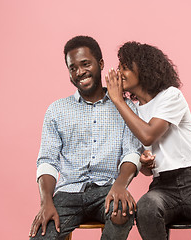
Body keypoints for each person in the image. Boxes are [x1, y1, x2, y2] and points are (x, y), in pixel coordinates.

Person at [105, 41, 191, 240]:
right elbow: (146, 168)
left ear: (142, 70)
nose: (119, 72)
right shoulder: (132, 112)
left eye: (125, 67)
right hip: (161, 186)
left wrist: (117, 100)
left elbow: (148, 134)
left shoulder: (171, 96)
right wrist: (144, 163)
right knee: (146, 210)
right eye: (119, 67)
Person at [28, 36, 142, 240]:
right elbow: (47, 161)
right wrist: (46, 202)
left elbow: (132, 152)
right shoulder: (57, 110)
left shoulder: (125, 108)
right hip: (67, 194)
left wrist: (120, 186)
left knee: (122, 211)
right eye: (73, 68)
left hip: (106, 191)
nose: (79, 72)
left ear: (100, 64)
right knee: (42, 233)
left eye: (85, 64)